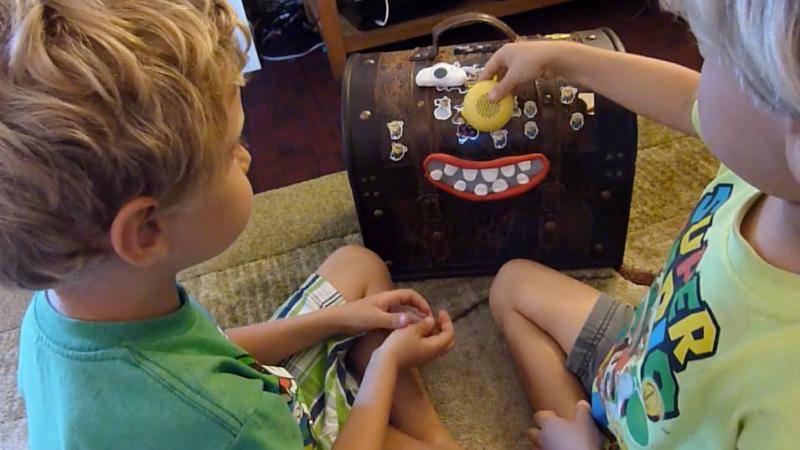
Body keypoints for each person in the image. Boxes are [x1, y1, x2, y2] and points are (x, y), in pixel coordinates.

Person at [6, 1, 462, 449]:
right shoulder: (233, 419)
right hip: (270, 431)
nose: (247, 156)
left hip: (251, 402)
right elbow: (216, 395)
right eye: (231, 149)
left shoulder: (61, 312)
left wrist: (337, 319)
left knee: (357, 266)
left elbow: (212, 348)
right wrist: (383, 366)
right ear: (145, 232)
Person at [484, 1, 800, 448]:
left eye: (712, 59)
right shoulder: (767, 173)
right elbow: (685, 98)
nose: (699, 73)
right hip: (641, 356)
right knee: (513, 285)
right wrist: (559, 57)